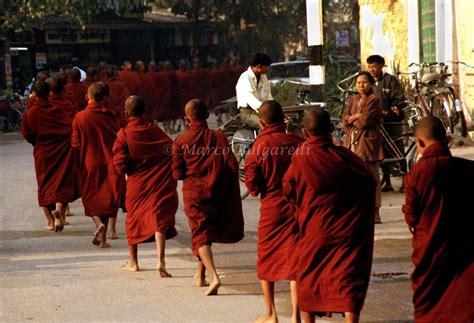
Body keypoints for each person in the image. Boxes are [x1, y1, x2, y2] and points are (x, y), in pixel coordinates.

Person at [283, 108, 376, 323]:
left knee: (310, 279)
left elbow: (288, 188)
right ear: (331, 129)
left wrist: (304, 205)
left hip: (315, 230)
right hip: (346, 233)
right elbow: (369, 181)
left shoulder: (302, 157)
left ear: (305, 132)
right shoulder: (345, 157)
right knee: (347, 279)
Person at [402, 116, 474, 322]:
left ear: (420, 143)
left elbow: (412, 217)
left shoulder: (417, 173)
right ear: (446, 141)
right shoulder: (468, 169)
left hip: (431, 251)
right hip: (465, 251)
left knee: (431, 310)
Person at [172, 99, 244, 296]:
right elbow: (231, 165)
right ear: (206, 116)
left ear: (187, 119)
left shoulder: (181, 141)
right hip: (216, 191)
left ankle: (213, 275)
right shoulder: (219, 136)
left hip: (195, 193)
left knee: (200, 232)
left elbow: (177, 174)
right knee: (204, 232)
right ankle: (200, 273)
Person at [245, 100, 303, 323]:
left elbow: (252, 187)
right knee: (295, 260)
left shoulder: (259, 146)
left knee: (267, 258)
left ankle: (271, 313)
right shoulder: (299, 143)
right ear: (283, 120)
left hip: (272, 210)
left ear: (261, 122)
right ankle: (296, 315)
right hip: (297, 208)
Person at [113, 96, 178, 276]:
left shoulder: (124, 134)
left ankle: (134, 262)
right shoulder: (155, 131)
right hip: (157, 181)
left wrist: (129, 170)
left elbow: (119, 165)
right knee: (158, 218)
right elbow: (171, 150)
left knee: (133, 220)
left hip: (137, 183)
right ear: (145, 111)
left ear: (126, 113)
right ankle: (160, 260)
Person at [71, 82, 124, 248]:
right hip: (110, 162)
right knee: (108, 199)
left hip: (89, 162)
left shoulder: (80, 117)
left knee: (90, 197)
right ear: (106, 97)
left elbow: (75, 143)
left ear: (87, 97)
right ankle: (103, 240)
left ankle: (97, 223)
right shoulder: (112, 115)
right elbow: (120, 136)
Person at [21, 80, 78, 231]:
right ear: (49, 93)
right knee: (61, 180)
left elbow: (27, 133)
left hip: (43, 151)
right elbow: (68, 127)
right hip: (60, 150)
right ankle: (59, 208)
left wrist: (36, 143)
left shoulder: (31, 112)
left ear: (35, 93)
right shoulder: (57, 109)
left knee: (44, 183)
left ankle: (51, 221)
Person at [342, 71, 384, 223]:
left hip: (367, 143)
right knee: (354, 178)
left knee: (373, 178)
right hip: (352, 143)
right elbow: (344, 118)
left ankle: (375, 212)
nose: (361, 85)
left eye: (364, 82)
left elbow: (365, 121)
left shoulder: (374, 100)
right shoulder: (353, 99)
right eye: (358, 82)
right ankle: (359, 210)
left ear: (371, 84)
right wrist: (354, 117)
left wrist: (355, 119)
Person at [367, 54, 406, 192]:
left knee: (398, 149)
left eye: (374, 67)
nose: (372, 70)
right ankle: (387, 182)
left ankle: (404, 181)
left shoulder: (391, 80)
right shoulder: (368, 82)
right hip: (378, 123)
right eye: (369, 67)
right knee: (382, 151)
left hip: (392, 122)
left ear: (382, 66)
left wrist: (395, 107)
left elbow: (399, 98)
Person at [235, 53, 273, 129]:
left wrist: (273, 108)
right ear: (259, 66)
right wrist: (265, 111)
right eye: (267, 67)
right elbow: (251, 100)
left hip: (263, 111)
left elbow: (269, 96)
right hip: (248, 112)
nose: (268, 69)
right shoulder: (245, 78)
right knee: (264, 126)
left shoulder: (263, 77)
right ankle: (261, 141)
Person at [147, 61, 173, 126]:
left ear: (148, 67)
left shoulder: (146, 76)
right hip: (159, 97)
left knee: (150, 114)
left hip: (149, 97)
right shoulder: (162, 76)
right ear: (156, 67)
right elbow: (168, 84)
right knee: (156, 114)